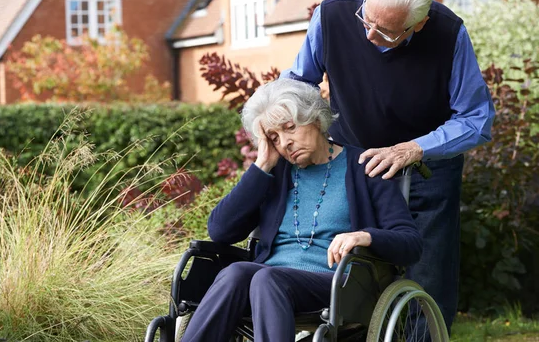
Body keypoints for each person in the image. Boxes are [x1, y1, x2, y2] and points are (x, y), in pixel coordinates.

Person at [280, 0, 495, 331]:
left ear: (419, 23)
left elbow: (476, 119)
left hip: (426, 168)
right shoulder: (331, 16)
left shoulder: (448, 33)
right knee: (352, 272)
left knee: (427, 278)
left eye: (387, 32)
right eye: (367, 20)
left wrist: (414, 147)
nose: (369, 36)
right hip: (350, 164)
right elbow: (297, 85)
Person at [181, 78, 422, 341]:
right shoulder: (275, 173)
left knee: (266, 279)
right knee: (236, 272)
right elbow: (220, 231)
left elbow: (410, 244)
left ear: (315, 119)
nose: (284, 143)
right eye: (274, 137)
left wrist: (364, 236)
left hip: (338, 283)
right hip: (268, 283)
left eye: (289, 128)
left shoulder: (363, 167)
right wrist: (261, 166)